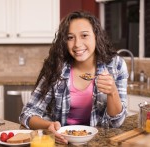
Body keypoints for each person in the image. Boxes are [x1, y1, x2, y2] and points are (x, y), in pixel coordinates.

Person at [19, 11, 128, 144]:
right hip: (61, 141)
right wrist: (48, 126)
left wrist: (113, 92)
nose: (77, 44)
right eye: (70, 37)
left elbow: (116, 123)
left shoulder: (116, 65)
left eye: (84, 35)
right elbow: (28, 113)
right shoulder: (57, 66)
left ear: (96, 36)